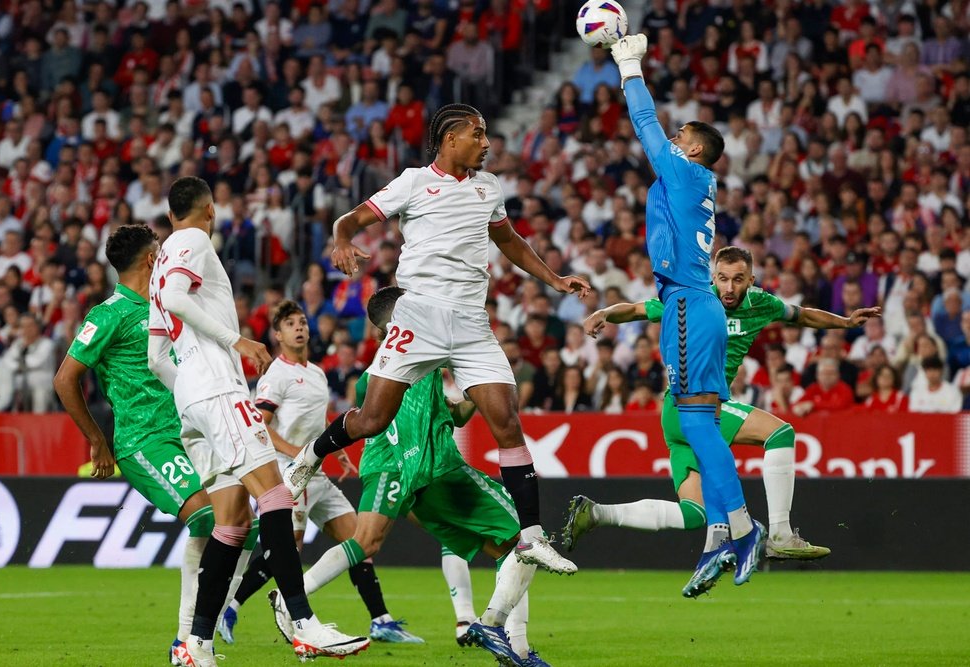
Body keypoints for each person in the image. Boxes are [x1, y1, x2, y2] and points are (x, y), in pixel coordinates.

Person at [283, 103, 591, 575]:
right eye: (477, 134)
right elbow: (349, 221)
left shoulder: (489, 187)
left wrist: (553, 279)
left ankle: (530, 537)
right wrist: (341, 240)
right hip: (419, 316)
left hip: (470, 322)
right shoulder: (411, 182)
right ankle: (311, 455)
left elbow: (509, 241)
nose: (486, 143)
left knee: (507, 421)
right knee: (370, 419)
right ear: (450, 140)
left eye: (485, 134)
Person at [146, 177, 367, 665]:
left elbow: (156, 354)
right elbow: (182, 300)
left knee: (233, 521)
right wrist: (235, 343)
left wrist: (189, 393)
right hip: (218, 391)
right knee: (277, 496)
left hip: (193, 401)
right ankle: (304, 623)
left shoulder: (159, 260)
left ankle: (195, 642)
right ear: (209, 211)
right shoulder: (194, 241)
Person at [273, 287, 548, 666]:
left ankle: (294, 598)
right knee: (513, 541)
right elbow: (406, 427)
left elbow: (447, 414)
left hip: (396, 466)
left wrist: (474, 398)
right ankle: (508, 641)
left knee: (374, 543)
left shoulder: (379, 373)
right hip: (400, 467)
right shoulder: (417, 360)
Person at [572, 247, 881, 566]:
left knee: (694, 514)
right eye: (722, 279)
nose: (729, 288)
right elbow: (639, 309)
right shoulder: (693, 297)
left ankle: (596, 513)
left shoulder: (762, 304)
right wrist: (605, 312)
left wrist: (845, 322)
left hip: (682, 414)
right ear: (713, 277)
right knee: (780, 434)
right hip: (693, 404)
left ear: (751, 279)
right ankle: (780, 535)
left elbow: (801, 314)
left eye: (737, 280)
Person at [609, 34, 762, 597]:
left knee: (696, 422)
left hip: (686, 305)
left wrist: (628, 65)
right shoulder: (695, 182)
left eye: (682, 139)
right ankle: (722, 529)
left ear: (693, 151)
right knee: (695, 419)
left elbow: (646, 123)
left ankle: (745, 529)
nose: (673, 141)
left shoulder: (683, 173)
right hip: (693, 304)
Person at [53, 224, 239, 665]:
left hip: (190, 430)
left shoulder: (167, 303)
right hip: (145, 441)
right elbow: (65, 379)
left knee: (238, 522)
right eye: (160, 250)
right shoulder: (110, 314)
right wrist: (98, 441)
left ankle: (203, 630)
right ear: (151, 259)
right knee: (209, 518)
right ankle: (187, 641)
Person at [218, 300, 423, 645]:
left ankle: (380, 620)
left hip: (319, 475)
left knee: (358, 541)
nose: (299, 328)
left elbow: (319, 421)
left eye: (302, 322)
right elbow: (261, 426)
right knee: (284, 552)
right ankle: (232, 607)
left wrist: (337, 450)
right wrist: (299, 454)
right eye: (290, 324)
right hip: (289, 475)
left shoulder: (316, 373)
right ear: (277, 334)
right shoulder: (275, 375)